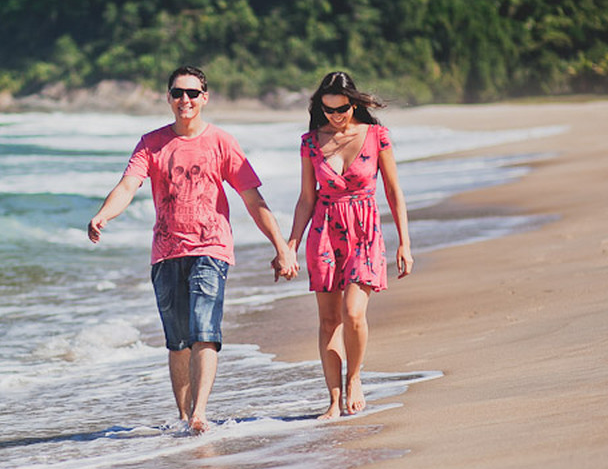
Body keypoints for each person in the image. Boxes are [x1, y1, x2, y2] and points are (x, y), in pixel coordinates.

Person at [88, 66, 299, 433]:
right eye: (177, 93)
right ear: (168, 97)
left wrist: (282, 246)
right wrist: (104, 215)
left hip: (211, 248)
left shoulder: (221, 142)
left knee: (205, 331)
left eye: (192, 93)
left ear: (205, 97)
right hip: (166, 252)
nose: (184, 100)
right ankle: (185, 417)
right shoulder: (151, 143)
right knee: (178, 341)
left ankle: (199, 412)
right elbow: (128, 185)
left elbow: (252, 198)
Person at [286, 71, 413, 420]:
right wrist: (290, 245)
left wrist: (405, 242)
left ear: (353, 103)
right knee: (328, 321)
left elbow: (393, 192)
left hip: (364, 230)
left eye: (341, 109)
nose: (335, 117)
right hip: (324, 231)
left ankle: (355, 378)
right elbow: (305, 200)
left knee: (353, 313)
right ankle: (333, 398)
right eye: (328, 111)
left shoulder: (376, 136)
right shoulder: (311, 142)